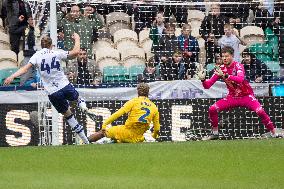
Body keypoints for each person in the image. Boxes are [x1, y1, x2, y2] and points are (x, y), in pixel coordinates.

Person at [4, 33, 92, 144]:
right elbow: (75, 53)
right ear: (52, 45)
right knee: (77, 97)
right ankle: (81, 103)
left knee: (68, 116)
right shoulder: (56, 53)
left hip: (53, 92)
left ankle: (85, 140)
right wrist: (77, 39)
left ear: (41, 45)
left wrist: (12, 76)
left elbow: (25, 69)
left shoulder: (36, 56)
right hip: (64, 86)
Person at [196, 46, 280, 140]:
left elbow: (240, 79)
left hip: (246, 96)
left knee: (260, 111)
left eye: (226, 56)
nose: (224, 58)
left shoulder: (238, 66)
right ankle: (215, 133)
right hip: (232, 97)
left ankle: (273, 133)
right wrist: (203, 79)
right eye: (223, 56)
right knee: (212, 109)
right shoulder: (220, 69)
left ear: (232, 56)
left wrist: (225, 75)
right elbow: (207, 85)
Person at [88, 83, 160, 143]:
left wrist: (105, 124)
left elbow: (118, 114)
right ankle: (114, 141)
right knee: (117, 140)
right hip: (138, 138)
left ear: (138, 92)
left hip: (126, 132)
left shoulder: (133, 101)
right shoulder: (154, 107)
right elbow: (157, 129)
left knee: (103, 132)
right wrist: (154, 135)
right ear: (148, 92)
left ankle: (85, 142)